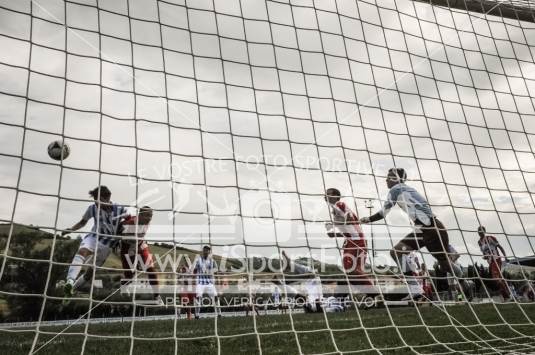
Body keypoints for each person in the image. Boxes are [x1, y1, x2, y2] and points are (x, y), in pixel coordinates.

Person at [359, 168, 467, 299]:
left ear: (397, 179)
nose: (386, 179)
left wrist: (368, 219)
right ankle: (415, 289)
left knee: (444, 264)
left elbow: (383, 212)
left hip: (431, 229)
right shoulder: (406, 189)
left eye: (390, 176)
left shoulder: (395, 190)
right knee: (397, 251)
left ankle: (463, 281)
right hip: (425, 229)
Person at [61, 186, 128, 298]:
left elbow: (129, 223)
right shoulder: (92, 208)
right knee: (82, 251)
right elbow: (83, 222)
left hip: (108, 245)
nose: (96, 203)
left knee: (90, 273)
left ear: (107, 198)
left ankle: (71, 290)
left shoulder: (121, 209)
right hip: (94, 237)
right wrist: (70, 229)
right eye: (95, 200)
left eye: (99, 200)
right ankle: (70, 281)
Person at [324, 188, 374, 290]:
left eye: (328, 194)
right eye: (325, 194)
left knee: (352, 270)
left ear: (336, 196)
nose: (325, 196)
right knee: (351, 271)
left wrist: (336, 224)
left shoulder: (339, 204)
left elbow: (349, 219)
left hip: (356, 241)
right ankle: (372, 294)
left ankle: (374, 292)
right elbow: (347, 228)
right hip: (351, 240)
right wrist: (333, 233)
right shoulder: (335, 210)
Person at [119, 206, 162, 305]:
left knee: (151, 269)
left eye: (151, 216)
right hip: (127, 249)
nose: (149, 218)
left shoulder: (147, 222)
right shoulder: (130, 224)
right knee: (130, 277)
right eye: (147, 215)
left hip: (141, 246)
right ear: (140, 215)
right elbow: (118, 231)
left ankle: (157, 296)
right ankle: (123, 284)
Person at [477, 226, 510, 300]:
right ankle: (507, 295)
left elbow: (500, 247)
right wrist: (485, 257)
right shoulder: (479, 242)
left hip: (496, 259)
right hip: (490, 262)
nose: (480, 232)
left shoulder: (490, 238)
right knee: (498, 279)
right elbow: (484, 253)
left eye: (481, 230)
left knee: (496, 279)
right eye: (478, 231)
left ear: (484, 231)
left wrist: (505, 257)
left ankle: (507, 296)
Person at [192, 245, 221, 319]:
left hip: (209, 282)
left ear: (209, 252)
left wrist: (217, 280)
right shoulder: (198, 260)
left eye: (207, 251)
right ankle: (197, 315)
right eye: (204, 250)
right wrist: (193, 278)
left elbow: (216, 270)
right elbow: (194, 270)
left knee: (215, 297)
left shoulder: (212, 261)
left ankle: (219, 314)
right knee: (198, 297)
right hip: (200, 282)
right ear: (203, 251)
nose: (206, 252)